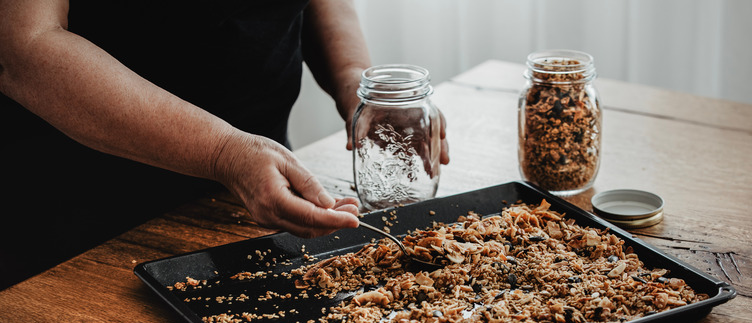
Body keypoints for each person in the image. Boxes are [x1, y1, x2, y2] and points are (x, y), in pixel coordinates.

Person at [0, 0, 450, 289]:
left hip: (250, 198)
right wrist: (223, 152)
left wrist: (355, 79)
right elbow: (24, 45)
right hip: (78, 214)